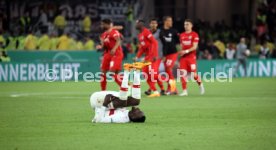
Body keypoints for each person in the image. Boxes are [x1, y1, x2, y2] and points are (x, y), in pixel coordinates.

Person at [134, 20, 160, 97]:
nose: (136, 25)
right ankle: (155, 91)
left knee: (152, 74)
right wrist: (137, 56)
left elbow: (154, 42)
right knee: (145, 74)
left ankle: (168, 81)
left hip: (152, 56)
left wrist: (154, 55)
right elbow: (142, 48)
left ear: (141, 24)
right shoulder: (140, 35)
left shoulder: (146, 32)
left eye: (137, 23)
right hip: (147, 57)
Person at [178, 19, 205, 96]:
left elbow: (194, 47)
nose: (186, 26)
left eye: (187, 24)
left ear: (191, 25)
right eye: (185, 24)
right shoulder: (181, 35)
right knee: (182, 73)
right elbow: (181, 46)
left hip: (191, 57)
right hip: (183, 58)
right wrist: (180, 51)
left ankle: (201, 85)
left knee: (194, 74)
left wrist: (185, 51)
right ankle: (184, 91)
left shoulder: (195, 35)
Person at [99, 19, 124, 91]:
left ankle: (125, 87)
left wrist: (114, 49)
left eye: (103, 24)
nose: (102, 26)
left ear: (108, 24)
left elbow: (118, 40)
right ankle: (103, 91)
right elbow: (104, 46)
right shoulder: (103, 35)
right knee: (103, 72)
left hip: (116, 54)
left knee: (112, 73)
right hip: (107, 54)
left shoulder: (114, 32)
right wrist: (101, 46)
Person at [159, 16, 179, 95]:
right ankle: (169, 89)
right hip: (164, 54)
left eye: (171, 20)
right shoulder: (160, 31)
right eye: (170, 21)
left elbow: (178, 42)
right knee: (167, 72)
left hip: (173, 53)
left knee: (168, 68)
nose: (171, 22)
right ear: (165, 22)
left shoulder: (174, 31)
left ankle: (174, 89)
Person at [149, 18, 165, 95]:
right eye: (152, 23)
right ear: (150, 24)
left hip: (158, 56)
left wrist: (164, 54)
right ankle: (162, 89)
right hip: (149, 56)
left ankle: (151, 89)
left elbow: (165, 43)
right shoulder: (147, 33)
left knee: (153, 73)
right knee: (154, 73)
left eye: (155, 23)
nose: (153, 25)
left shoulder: (160, 33)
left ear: (157, 25)